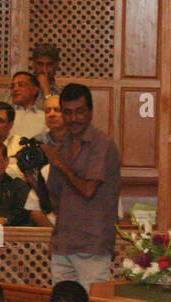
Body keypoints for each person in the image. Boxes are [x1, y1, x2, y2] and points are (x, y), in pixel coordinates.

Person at [42, 84, 122, 288]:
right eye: (67, 113)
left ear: (90, 112)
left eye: (79, 112)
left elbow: (88, 190)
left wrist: (60, 163)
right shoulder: (63, 146)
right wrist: (32, 176)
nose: (73, 119)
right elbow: (52, 202)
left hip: (92, 244)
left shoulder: (102, 144)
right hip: (63, 243)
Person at [9, 71, 46, 139]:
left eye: (21, 85)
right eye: (13, 86)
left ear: (35, 90)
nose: (15, 89)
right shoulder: (6, 116)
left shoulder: (45, 118)